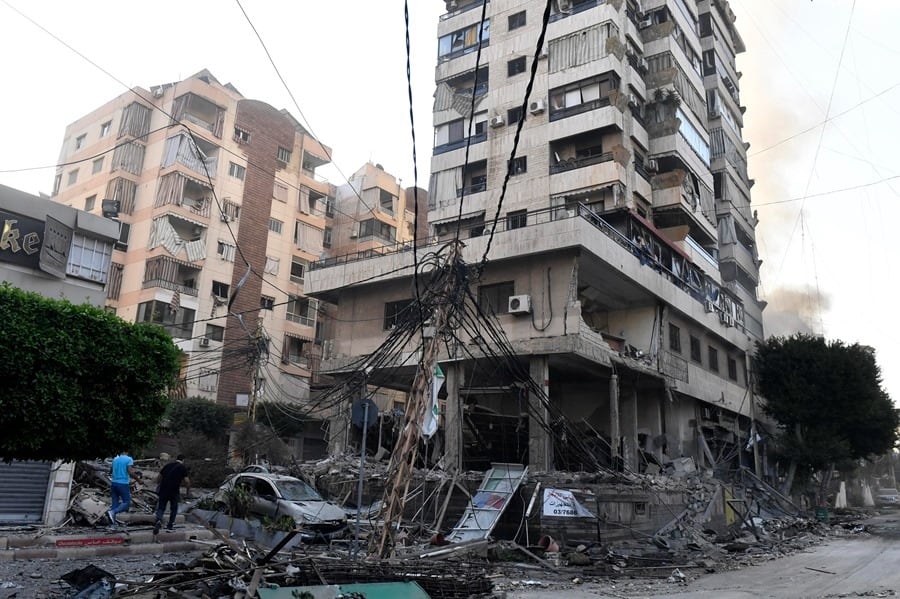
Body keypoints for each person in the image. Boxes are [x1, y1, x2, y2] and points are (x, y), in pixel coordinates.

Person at [154, 454, 191, 534]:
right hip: (174, 491)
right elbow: (187, 481)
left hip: (163, 490)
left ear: (176, 459)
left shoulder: (168, 466)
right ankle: (170, 526)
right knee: (174, 509)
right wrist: (188, 491)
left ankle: (159, 520)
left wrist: (160, 485)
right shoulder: (182, 468)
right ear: (183, 460)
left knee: (161, 508)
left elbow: (159, 478)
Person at [108, 451, 135, 527]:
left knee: (115, 503)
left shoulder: (115, 459)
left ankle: (112, 525)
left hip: (113, 483)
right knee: (126, 502)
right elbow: (130, 471)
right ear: (127, 451)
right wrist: (138, 479)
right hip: (123, 483)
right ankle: (113, 512)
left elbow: (111, 471)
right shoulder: (129, 459)